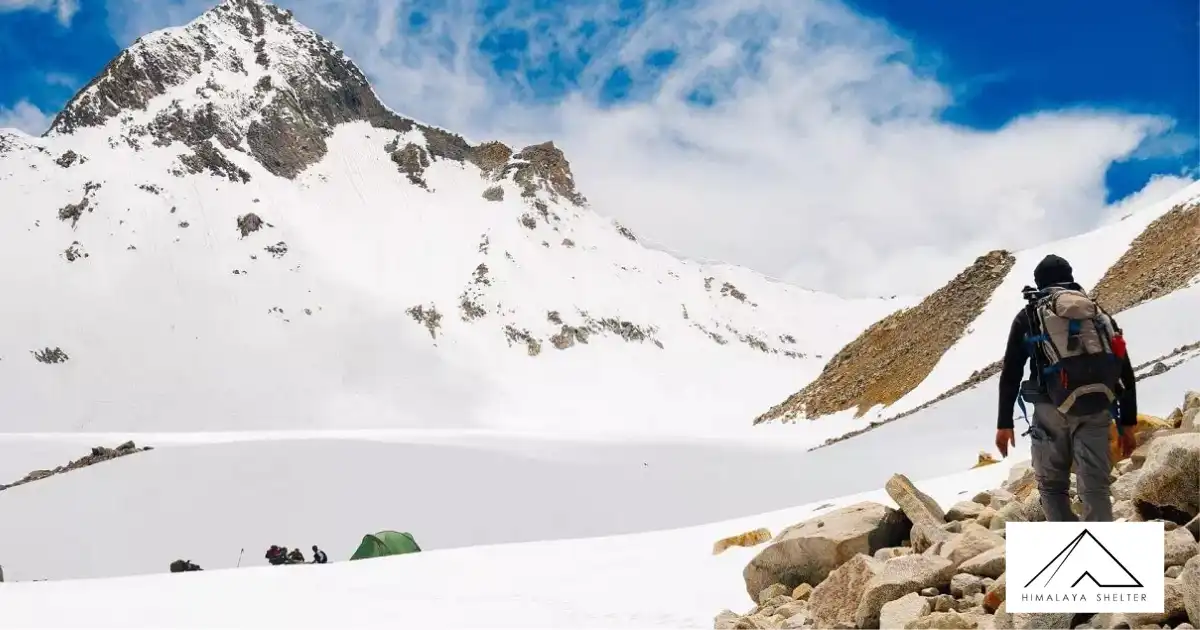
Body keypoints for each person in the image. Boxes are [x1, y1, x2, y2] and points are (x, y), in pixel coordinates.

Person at [995, 254, 1138, 522]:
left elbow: (1011, 372)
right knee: (1095, 486)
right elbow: (1124, 369)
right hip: (1097, 407)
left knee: (1052, 486)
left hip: (1051, 409)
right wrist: (1127, 423)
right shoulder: (1097, 314)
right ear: (1071, 278)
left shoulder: (1030, 315)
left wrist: (1005, 423)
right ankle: (1102, 552)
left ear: (1039, 283)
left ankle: (1070, 549)